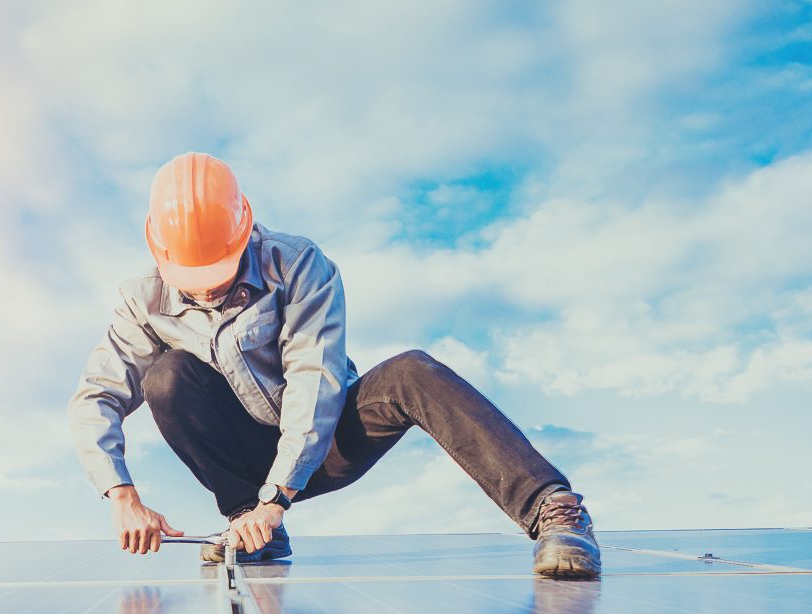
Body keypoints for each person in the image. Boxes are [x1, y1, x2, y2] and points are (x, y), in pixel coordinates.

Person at [68, 152, 601, 579]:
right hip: (247, 463)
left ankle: (555, 511)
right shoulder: (142, 301)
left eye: (220, 269)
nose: (207, 286)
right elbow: (96, 397)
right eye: (192, 274)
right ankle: (251, 532)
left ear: (245, 230)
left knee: (412, 371)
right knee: (168, 376)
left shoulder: (298, 265)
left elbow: (313, 380)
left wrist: (276, 498)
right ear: (158, 252)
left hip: (329, 438)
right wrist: (122, 495)